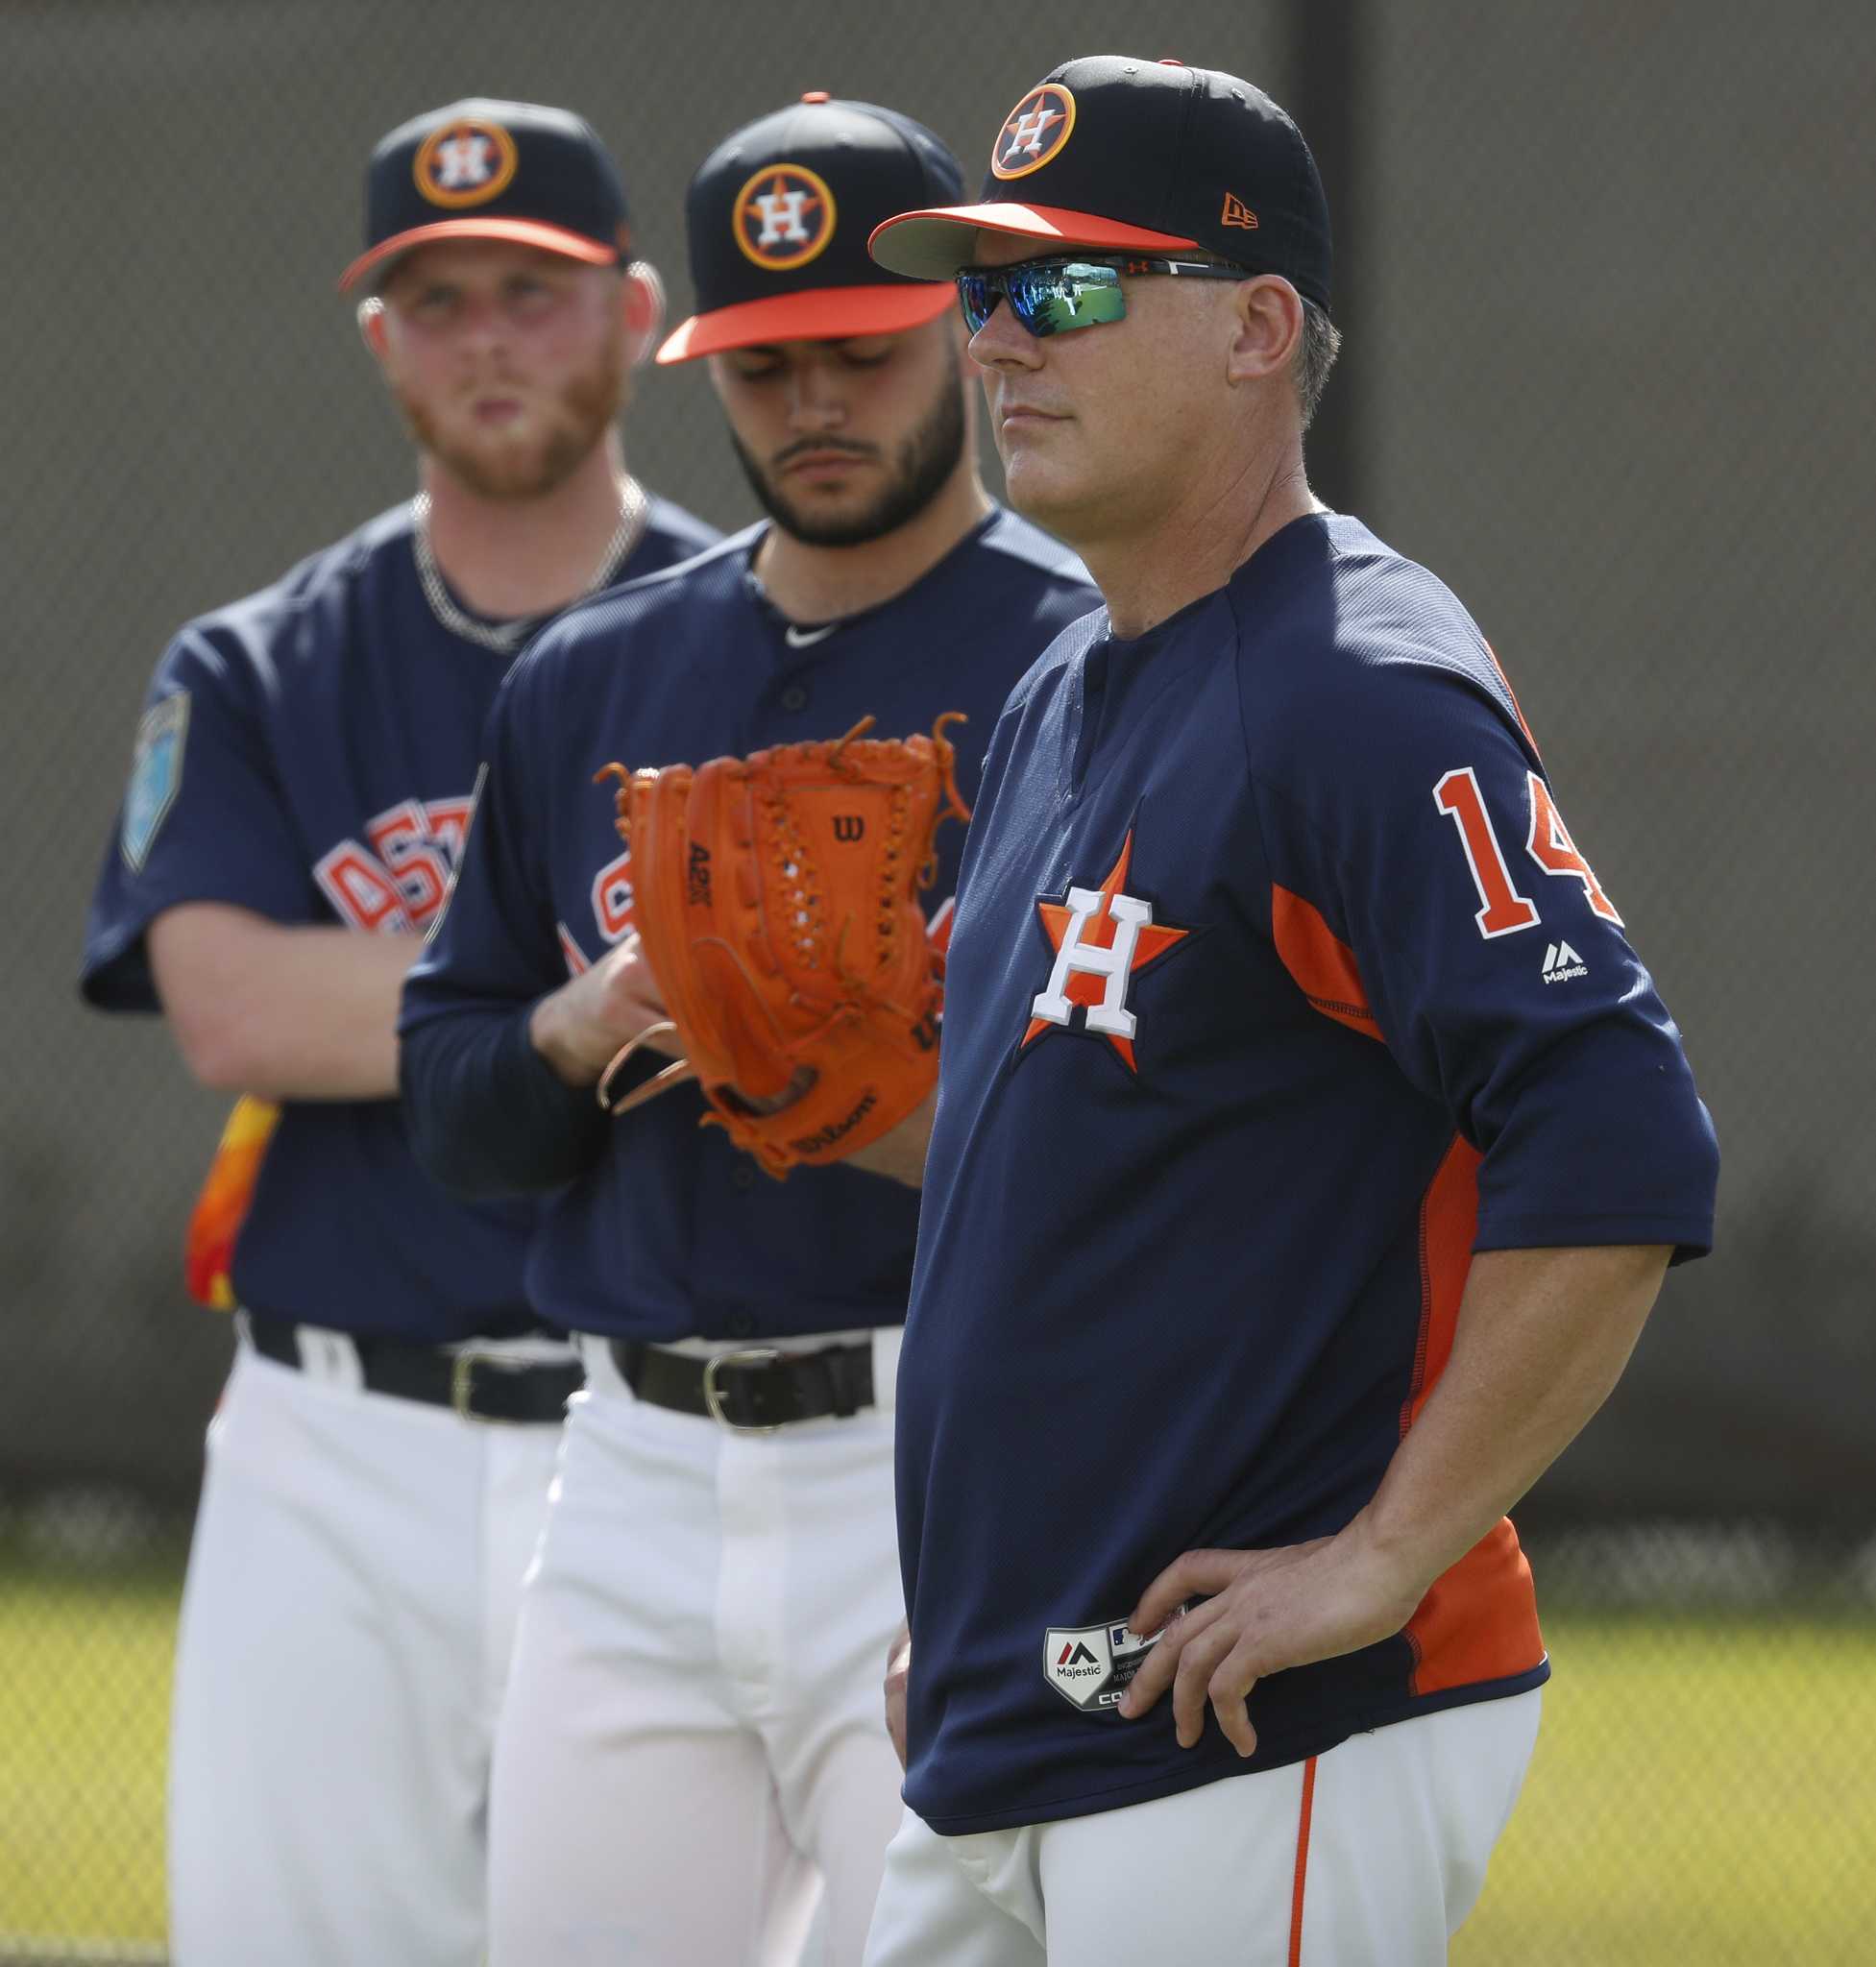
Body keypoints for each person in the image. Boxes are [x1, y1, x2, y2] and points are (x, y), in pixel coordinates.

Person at [858, 55, 1721, 1964]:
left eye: (1066, 288)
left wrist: (1383, 1557)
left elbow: (1617, 1143)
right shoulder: (1062, 683)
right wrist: (988, 1599)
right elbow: (1106, 1161)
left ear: (1257, 326)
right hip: (1033, 1694)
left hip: (1261, 1726)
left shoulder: (1353, 690)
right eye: (978, 293)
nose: (998, 342)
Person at [396, 91, 1097, 1966]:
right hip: (624, 1466)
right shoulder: (591, 679)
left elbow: (1158, 1136)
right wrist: (585, 1020)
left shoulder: (1083, 656)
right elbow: (450, 1106)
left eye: (856, 350)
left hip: (937, 1438)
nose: (813, 404)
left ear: (959, 329)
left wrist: (825, 1060)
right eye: (765, 361)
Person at [78, 98, 716, 1967]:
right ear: (379, 341)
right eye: (434, 301)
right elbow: (229, 1005)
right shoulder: (261, 660)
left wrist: (434, 1005)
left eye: (532, 290)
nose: (486, 339)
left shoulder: (749, 635)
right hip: (334, 1445)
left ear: (631, 313)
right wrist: (608, 994)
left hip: (665, 1428)